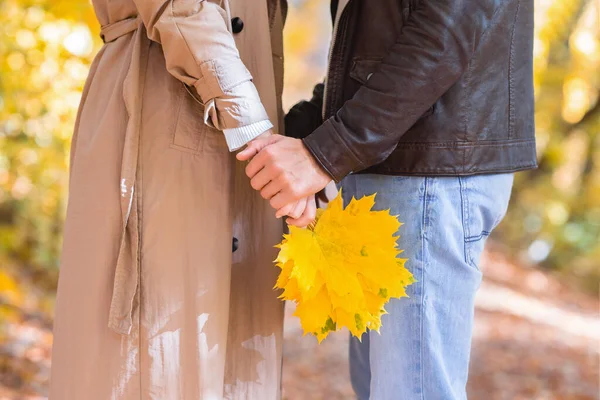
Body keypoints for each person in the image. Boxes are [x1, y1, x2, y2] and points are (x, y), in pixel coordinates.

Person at [238, 0, 536, 398]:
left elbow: (444, 32)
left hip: (428, 168)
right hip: (392, 160)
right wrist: (308, 135)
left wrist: (326, 150)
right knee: (383, 387)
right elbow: (373, 50)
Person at [50, 1, 289, 398]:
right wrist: (253, 130)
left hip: (242, 121)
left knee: (224, 357)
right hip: (164, 110)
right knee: (156, 360)